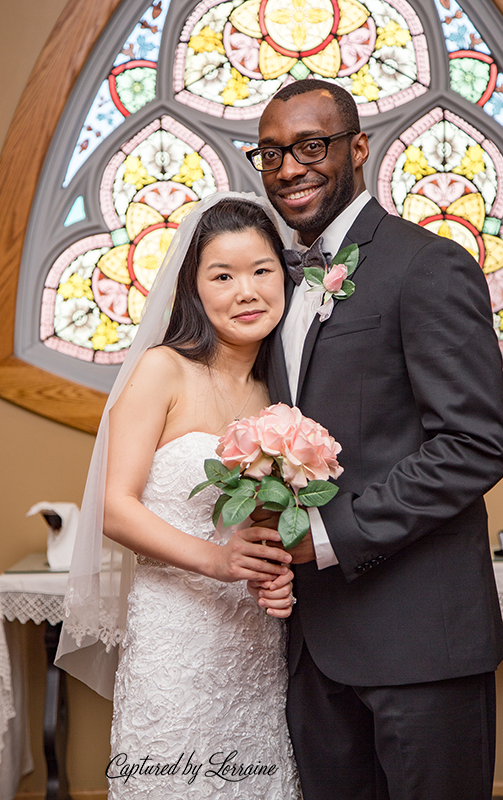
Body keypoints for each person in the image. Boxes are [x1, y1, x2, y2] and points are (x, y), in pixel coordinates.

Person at [247, 79, 503, 799]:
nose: (288, 169)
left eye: (310, 146)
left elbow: (473, 444)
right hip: (312, 649)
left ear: (357, 148)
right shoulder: (272, 286)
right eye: (269, 154)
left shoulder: (428, 265)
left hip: (420, 646)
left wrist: (326, 538)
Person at [56, 194, 300, 799]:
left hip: (256, 643)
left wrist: (276, 570)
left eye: (261, 271)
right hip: (177, 636)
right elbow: (115, 507)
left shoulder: (282, 391)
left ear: (284, 277)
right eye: (223, 275)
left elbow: (268, 520)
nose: (246, 291)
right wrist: (217, 560)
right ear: (193, 287)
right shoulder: (163, 370)